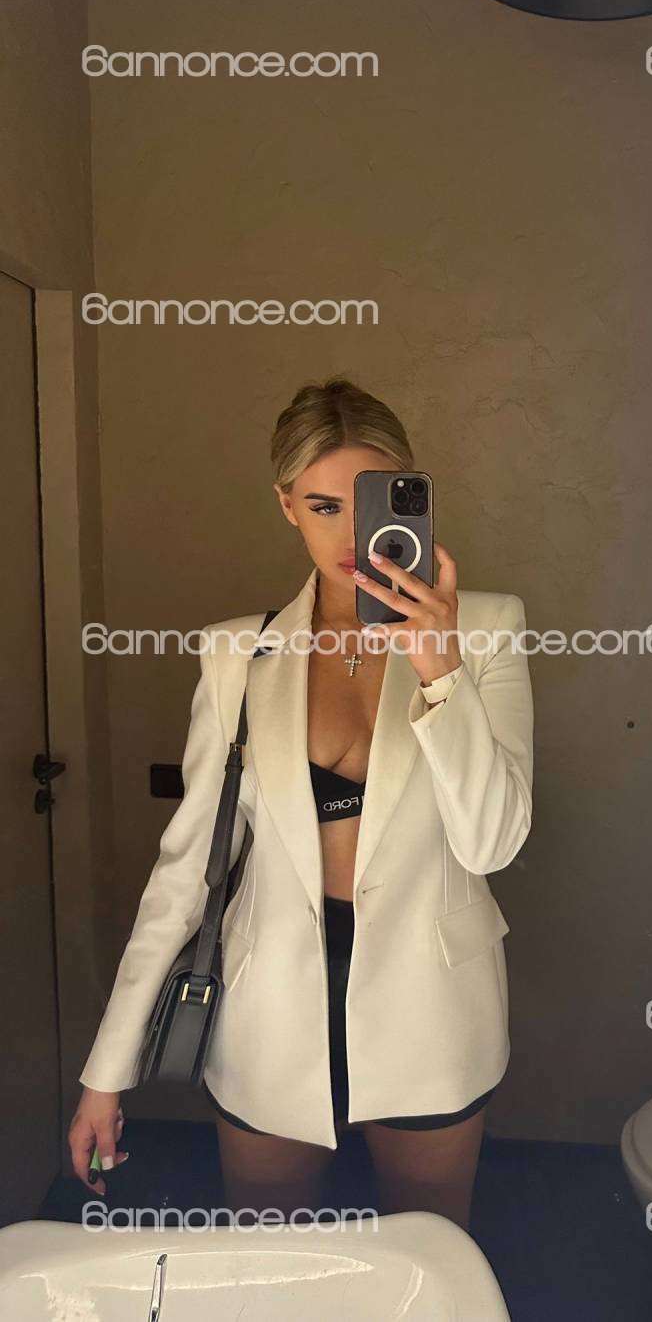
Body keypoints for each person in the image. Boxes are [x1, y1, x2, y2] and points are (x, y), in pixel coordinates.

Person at [68, 377, 534, 1228]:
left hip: (433, 1005)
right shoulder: (236, 655)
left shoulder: (487, 628)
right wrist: (108, 1068)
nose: (352, 535)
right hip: (269, 1010)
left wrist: (441, 669)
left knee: (430, 1255)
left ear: (411, 494)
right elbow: (185, 872)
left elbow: (493, 843)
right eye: (323, 506)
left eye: (370, 500)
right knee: (269, 1253)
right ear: (286, 505)